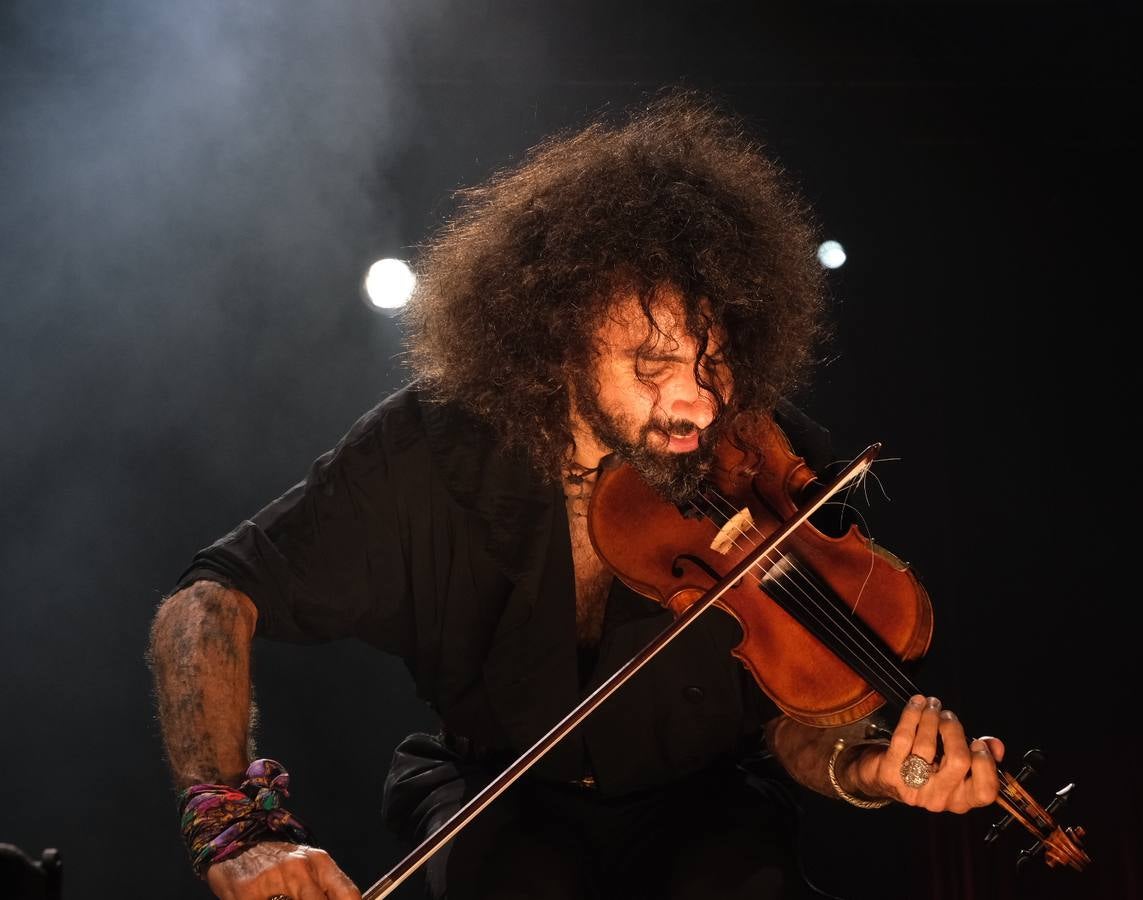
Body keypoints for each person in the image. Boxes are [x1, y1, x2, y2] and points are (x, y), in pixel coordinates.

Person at [149, 93, 1005, 900]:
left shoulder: (773, 463)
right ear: (559, 336)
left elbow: (798, 723)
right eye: (654, 365)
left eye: (714, 365)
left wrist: (867, 769)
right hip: (495, 788)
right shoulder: (427, 449)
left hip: (707, 805)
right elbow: (209, 602)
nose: (699, 406)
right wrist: (235, 829)